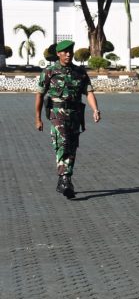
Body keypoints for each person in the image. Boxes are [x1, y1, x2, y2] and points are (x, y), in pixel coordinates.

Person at [35, 40, 101, 199]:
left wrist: (95, 109)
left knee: (71, 146)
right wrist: (37, 118)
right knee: (62, 143)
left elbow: (89, 92)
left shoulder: (79, 72)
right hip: (57, 113)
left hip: (75, 114)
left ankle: (64, 179)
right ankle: (65, 178)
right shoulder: (49, 72)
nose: (68, 54)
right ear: (58, 54)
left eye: (70, 51)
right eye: (64, 52)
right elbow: (39, 95)